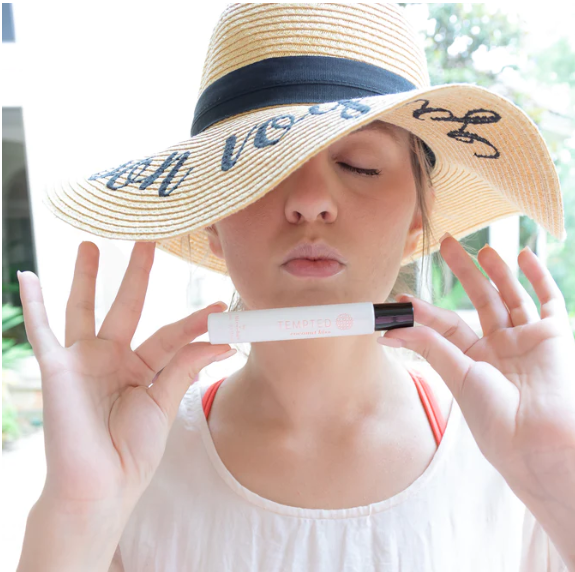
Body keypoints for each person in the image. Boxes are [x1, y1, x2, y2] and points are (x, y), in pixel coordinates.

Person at [16, 4, 574, 572]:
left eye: (359, 164)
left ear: (417, 215)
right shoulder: (135, 460)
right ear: (212, 217)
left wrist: (559, 476)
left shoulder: (508, 453)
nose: (311, 201)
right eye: (265, 165)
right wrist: (76, 514)